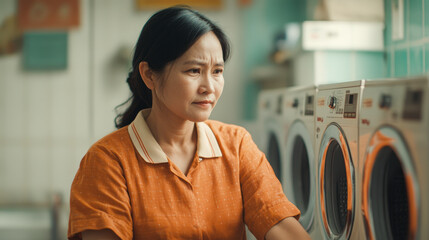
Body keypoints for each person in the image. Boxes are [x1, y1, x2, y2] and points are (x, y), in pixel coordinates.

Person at [68, 6, 310, 240]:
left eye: (217, 71)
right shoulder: (108, 161)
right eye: (194, 70)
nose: (209, 87)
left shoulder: (236, 145)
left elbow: (277, 220)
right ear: (149, 75)